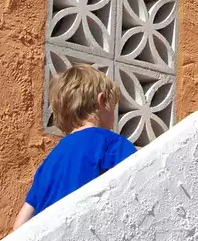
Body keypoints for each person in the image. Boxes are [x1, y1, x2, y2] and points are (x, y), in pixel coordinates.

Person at [12, 64, 137, 230]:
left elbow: (19, 225)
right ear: (101, 102)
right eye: (113, 107)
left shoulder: (51, 161)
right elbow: (136, 187)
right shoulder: (112, 144)